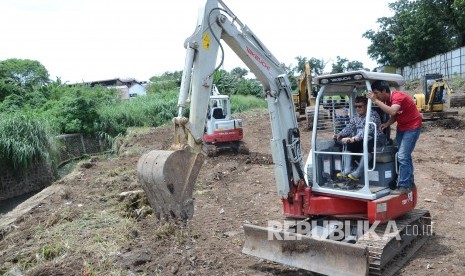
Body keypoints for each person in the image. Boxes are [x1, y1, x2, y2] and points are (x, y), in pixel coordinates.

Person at [367, 80, 422, 195]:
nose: (375, 95)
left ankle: (404, 185)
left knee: (402, 156)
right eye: (374, 93)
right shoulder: (387, 100)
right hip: (402, 127)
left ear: (384, 91)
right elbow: (395, 115)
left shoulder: (398, 97)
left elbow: (392, 110)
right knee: (404, 156)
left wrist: (375, 100)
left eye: (376, 93)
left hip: (412, 127)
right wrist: (387, 124)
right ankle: (409, 181)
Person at [333, 96, 382, 181]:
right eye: (356, 106)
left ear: (367, 105)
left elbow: (368, 130)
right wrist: (340, 134)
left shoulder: (373, 115)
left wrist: (354, 138)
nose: (358, 109)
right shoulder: (356, 116)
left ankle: (358, 173)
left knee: (368, 144)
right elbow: (349, 127)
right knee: (349, 144)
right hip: (361, 139)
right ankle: (347, 170)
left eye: (360, 106)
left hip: (376, 139)